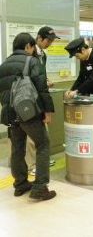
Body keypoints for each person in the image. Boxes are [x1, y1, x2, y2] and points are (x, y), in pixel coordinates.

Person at [0, 33, 56, 200]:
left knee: (17, 148)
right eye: (32, 48)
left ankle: (20, 184)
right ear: (28, 47)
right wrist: (47, 111)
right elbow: (42, 89)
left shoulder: (3, 65)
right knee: (43, 144)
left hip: (11, 114)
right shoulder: (32, 62)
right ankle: (40, 187)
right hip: (29, 112)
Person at [26, 26, 60, 175]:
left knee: (42, 131)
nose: (50, 44)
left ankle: (42, 160)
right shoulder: (29, 54)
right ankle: (31, 164)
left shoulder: (43, 55)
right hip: (29, 98)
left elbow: (40, 74)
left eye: (52, 41)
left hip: (39, 96)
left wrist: (45, 80)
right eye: (48, 40)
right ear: (39, 38)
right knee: (30, 133)